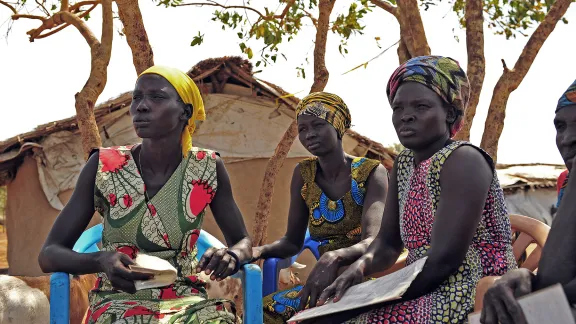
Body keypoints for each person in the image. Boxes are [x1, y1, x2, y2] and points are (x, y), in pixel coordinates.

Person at [310, 55, 517, 323]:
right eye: (398, 108)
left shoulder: (464, 160)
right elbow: (387, 243)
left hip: (471, 292)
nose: (406, 116)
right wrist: (360, 266)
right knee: (316, 317)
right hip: (420, 286)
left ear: (450, 113)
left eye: (421, 106)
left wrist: (368, 302)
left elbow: (444, 262)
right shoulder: (405, 164)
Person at [38, 66, 253, 323]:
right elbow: (49, 253)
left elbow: (242, 241)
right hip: (117, 300)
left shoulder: (206, 167)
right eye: (136, 98)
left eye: (157, 97)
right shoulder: (104, 166)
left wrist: (231, 255)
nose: (141, 106)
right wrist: (100, 260)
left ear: (185, 112)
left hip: (187, 301)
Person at [249, 92, 389, 323]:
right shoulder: (304, 174)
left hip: (361, 281)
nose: (309, 134)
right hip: (322, 285)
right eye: (302, 129)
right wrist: (257, 251)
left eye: (317, 125)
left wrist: (334, 257)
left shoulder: (371, 172)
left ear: (337, 126)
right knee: (263, 312)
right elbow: (292, 242)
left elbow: (374, 240)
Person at [480, 79, 576, 324]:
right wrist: (526, 278)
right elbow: (560, 274)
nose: (567, 139)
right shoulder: (566, 182)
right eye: (560, 126)